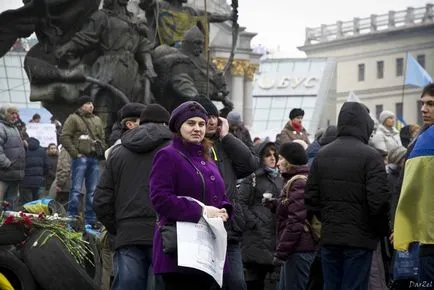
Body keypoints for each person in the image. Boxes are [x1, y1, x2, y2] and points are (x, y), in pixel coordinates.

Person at [305, 102, 390, 290]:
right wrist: (379, 231)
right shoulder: (372, 157)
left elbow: (311, 198)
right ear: (365, 125)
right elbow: (379, 202)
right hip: (360, 239)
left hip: (330, 237)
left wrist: (328, 218)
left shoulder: (322, 155)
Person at [149, 101, 232, 290]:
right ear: (179, 127)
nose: (197, 129)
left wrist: (225, 209)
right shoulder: (168, 155)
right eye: (191, 123)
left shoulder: (207, 158)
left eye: (201, 124)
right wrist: (202, 211)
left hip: (208, 247)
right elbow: (160, 199)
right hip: (180, 251)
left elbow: (220, 194)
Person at [94, 103, 171, 290]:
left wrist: (118, 226)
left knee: (128, 284)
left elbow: (101, 199)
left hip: (127, 233)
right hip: (165, 233)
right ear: (166, 124)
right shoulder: (175, 151)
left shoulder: (118, 152)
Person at [195, 96, 257, 290]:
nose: (212, 121)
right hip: (200, 228)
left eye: (214, 116)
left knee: (236, 283)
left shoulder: (226, 145)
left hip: (228, 228)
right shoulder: (191, 147)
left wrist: (228, 137)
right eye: (207, 117)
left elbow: (249, 164)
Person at [393, 83, 434, 283]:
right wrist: (399, 225)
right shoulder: (419, 141)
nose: (423, 109)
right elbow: (404, 188)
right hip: (427, 238)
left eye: (431, 104)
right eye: (423, 103)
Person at [239, 141, 283, 290]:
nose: (272, 158)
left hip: (273, 235)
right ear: (260, 158)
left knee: (271, 280)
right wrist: (254, 222)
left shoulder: (279, 178)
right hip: (255, 236)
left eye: (274, 155)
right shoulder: (252, 178)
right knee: (254, 279)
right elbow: (240, 202)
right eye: (267, 155)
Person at [272, 142, 316, 290]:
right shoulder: (297, 179)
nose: (277, 163)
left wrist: (281, 253)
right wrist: (275, 204)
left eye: (280, 158)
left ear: (290, 161)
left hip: (298, 250)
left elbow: (296, 221)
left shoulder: (298, 183)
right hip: (295, 249)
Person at [60, 95, 105, 227]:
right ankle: (72, 217)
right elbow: (64, 137)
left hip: (94, 158)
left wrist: (101, 148)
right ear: (81, 105)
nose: (91, 105)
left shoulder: (97, 120)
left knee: (93, 190)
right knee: (76, 189)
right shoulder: (73, 118)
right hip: (81, 158)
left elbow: (102, 137)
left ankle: (90, 219)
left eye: (92, 103)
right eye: (87, 103)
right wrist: (75, 154)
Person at [0, 104, 26, 210]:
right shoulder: (1, 127)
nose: (15, 116)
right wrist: (7, 164)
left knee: (11, 204)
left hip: (14, 174)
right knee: (2, 203)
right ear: (4, 115)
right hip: (4, 173)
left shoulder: (14, 128)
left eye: (16, 113)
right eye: (11, 113)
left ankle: (8, 226)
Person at [19, 137, 50, 205]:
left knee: (27, 204)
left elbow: (19, 165)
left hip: (25, 182)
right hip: (39, 182)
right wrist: (42, 175)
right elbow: (47, 165)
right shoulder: (42, 150)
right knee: (37, 204)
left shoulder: (23, 150)